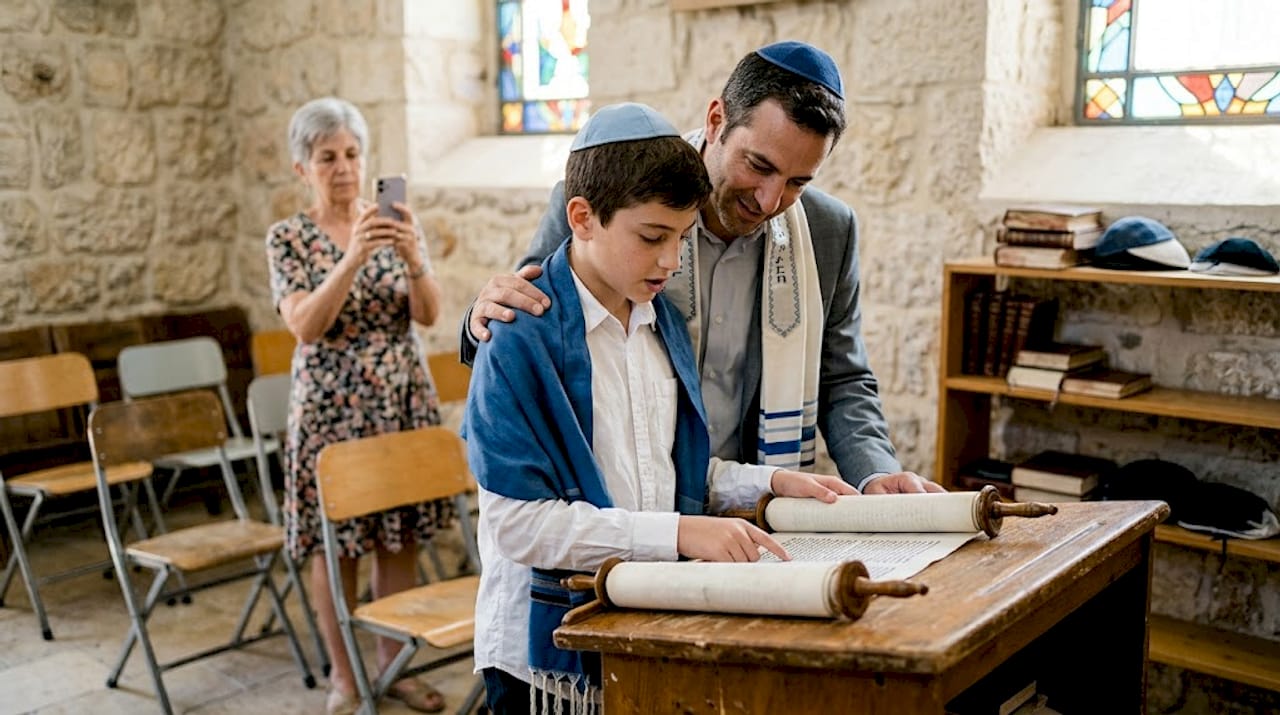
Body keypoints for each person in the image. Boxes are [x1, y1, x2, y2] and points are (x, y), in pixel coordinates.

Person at [463, 103, 858, 714]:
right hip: (542, 666)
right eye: (652, 237)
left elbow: (665, 467)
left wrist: (771, 481)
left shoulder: (659, 322)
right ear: (583, 218)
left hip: (637, 627)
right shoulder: (520, 335)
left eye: (681, 236)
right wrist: (679, 534)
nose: (672, 261)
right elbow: (517, 526)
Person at [462, 41, 944, 496]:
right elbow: (526, 322)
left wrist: (876, 472)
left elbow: (841, 377)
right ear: (717, 120)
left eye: (797, 181)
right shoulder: (619, 196)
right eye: (758, 165)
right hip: (627, 497)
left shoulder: (828, 230)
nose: (770, 200)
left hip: (756, 495)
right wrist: (479, 317)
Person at [266, 97, 451, 715]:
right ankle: (344, 677)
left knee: (396, 538)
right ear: (302, 168)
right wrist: (353, 258)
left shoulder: (395, 219)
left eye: (351, 154)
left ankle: (391, 666)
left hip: (400, 398)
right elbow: (306, 327)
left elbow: (428, 314)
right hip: (331, 409)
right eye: (327, 158)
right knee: (335, 546)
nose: (343, 168)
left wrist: (412, 257)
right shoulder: (288, 238)